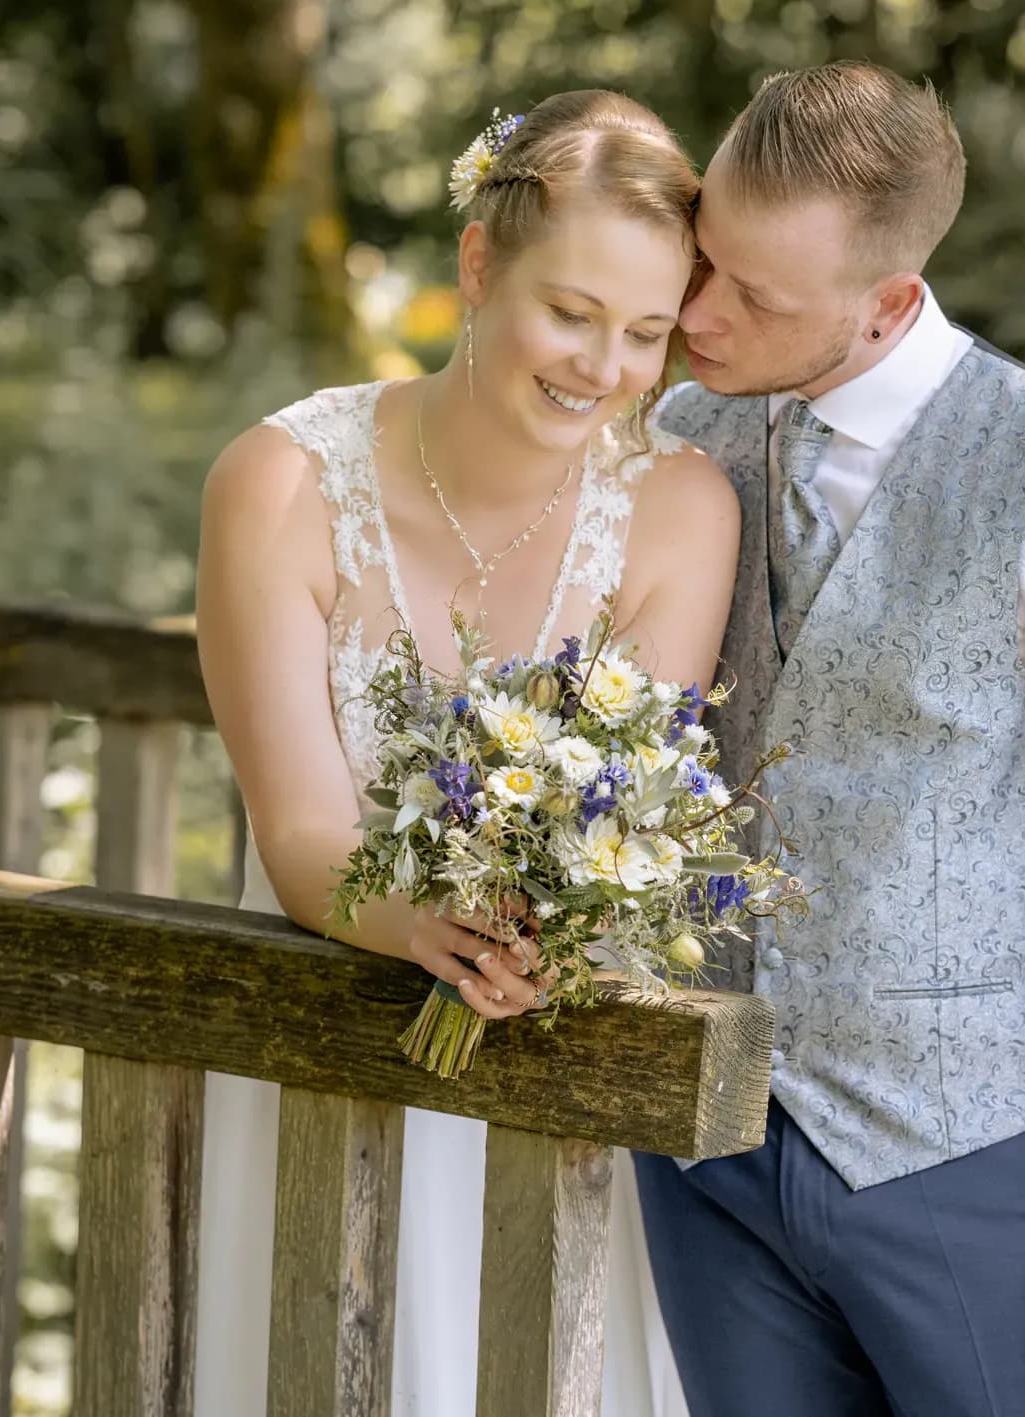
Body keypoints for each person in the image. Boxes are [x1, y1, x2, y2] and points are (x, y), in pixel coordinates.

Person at [638, 61, 1025, 1415]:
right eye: (701, 258)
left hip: (980, 1162)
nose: (695, 313)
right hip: (708, 1157)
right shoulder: (677, 434)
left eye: (754, 296)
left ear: (890, 304)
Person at [195, 89, 737, 1416]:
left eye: (647, 332)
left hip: (559, 1065)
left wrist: (541, 927)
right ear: (480, 264)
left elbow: (621, 809)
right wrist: (427, 924)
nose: (604, 368)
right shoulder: (279, 484)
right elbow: (299, 833)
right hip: (326, 1039)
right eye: (571, 312)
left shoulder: (680, 508)